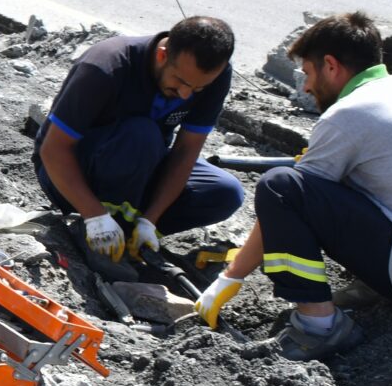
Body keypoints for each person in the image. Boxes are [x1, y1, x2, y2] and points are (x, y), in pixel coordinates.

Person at [194, 11, 392, 359]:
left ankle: (318, 325)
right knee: (338, 178)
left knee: (280, 185)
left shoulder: (350, 113)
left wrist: (230, 278)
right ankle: (375, 287)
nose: (306, 87)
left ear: (331, 65)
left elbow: (290, 197)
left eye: (308, 73)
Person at [35, 17, 244, 263]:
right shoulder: (106, 66)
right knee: (142, 135)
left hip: (141, 165)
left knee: (225, 192)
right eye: (181, 81)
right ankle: (96, 229)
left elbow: (186, 151)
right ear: (162, 55)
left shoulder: (212, 77)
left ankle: (132, 233)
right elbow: (53, 150)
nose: (186, 94)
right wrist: (95, 216)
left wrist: (150, 220)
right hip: (69, 174)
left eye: (197, 89)